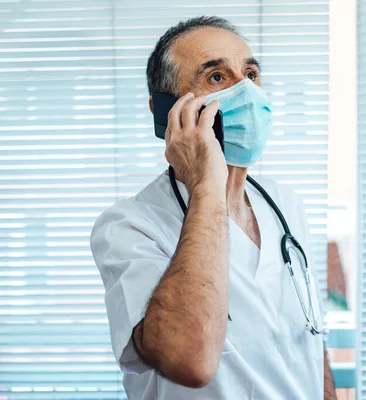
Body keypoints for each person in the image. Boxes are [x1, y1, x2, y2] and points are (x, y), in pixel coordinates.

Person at [90, 16, 337, 400]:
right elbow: (189, 361)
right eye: (217, 77)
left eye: (251, 74)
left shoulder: (286, 205)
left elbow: (309, 342)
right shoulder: (129, 226)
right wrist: (207, 185)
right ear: (165, 111)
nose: (248, 93)